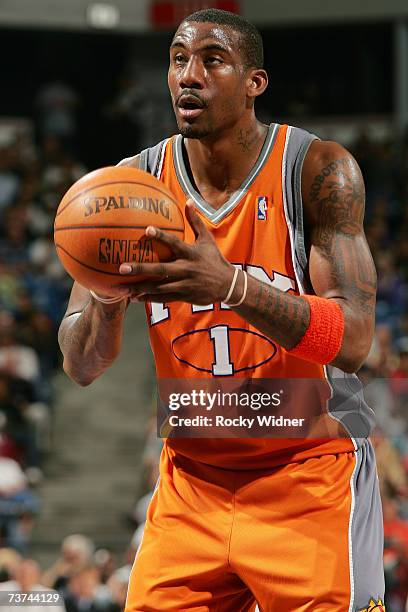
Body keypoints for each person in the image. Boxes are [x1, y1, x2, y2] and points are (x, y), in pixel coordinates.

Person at [58, 8, 385, 611]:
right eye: (179, 59)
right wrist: (105, 296)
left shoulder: (317, 170)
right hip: (193, 483)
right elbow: (81, 366)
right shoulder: (130, 187)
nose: (190, 75)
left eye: (212, 60)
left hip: (309, 474)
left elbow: (357, 341)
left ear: (255, 82)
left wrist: (231, 286)